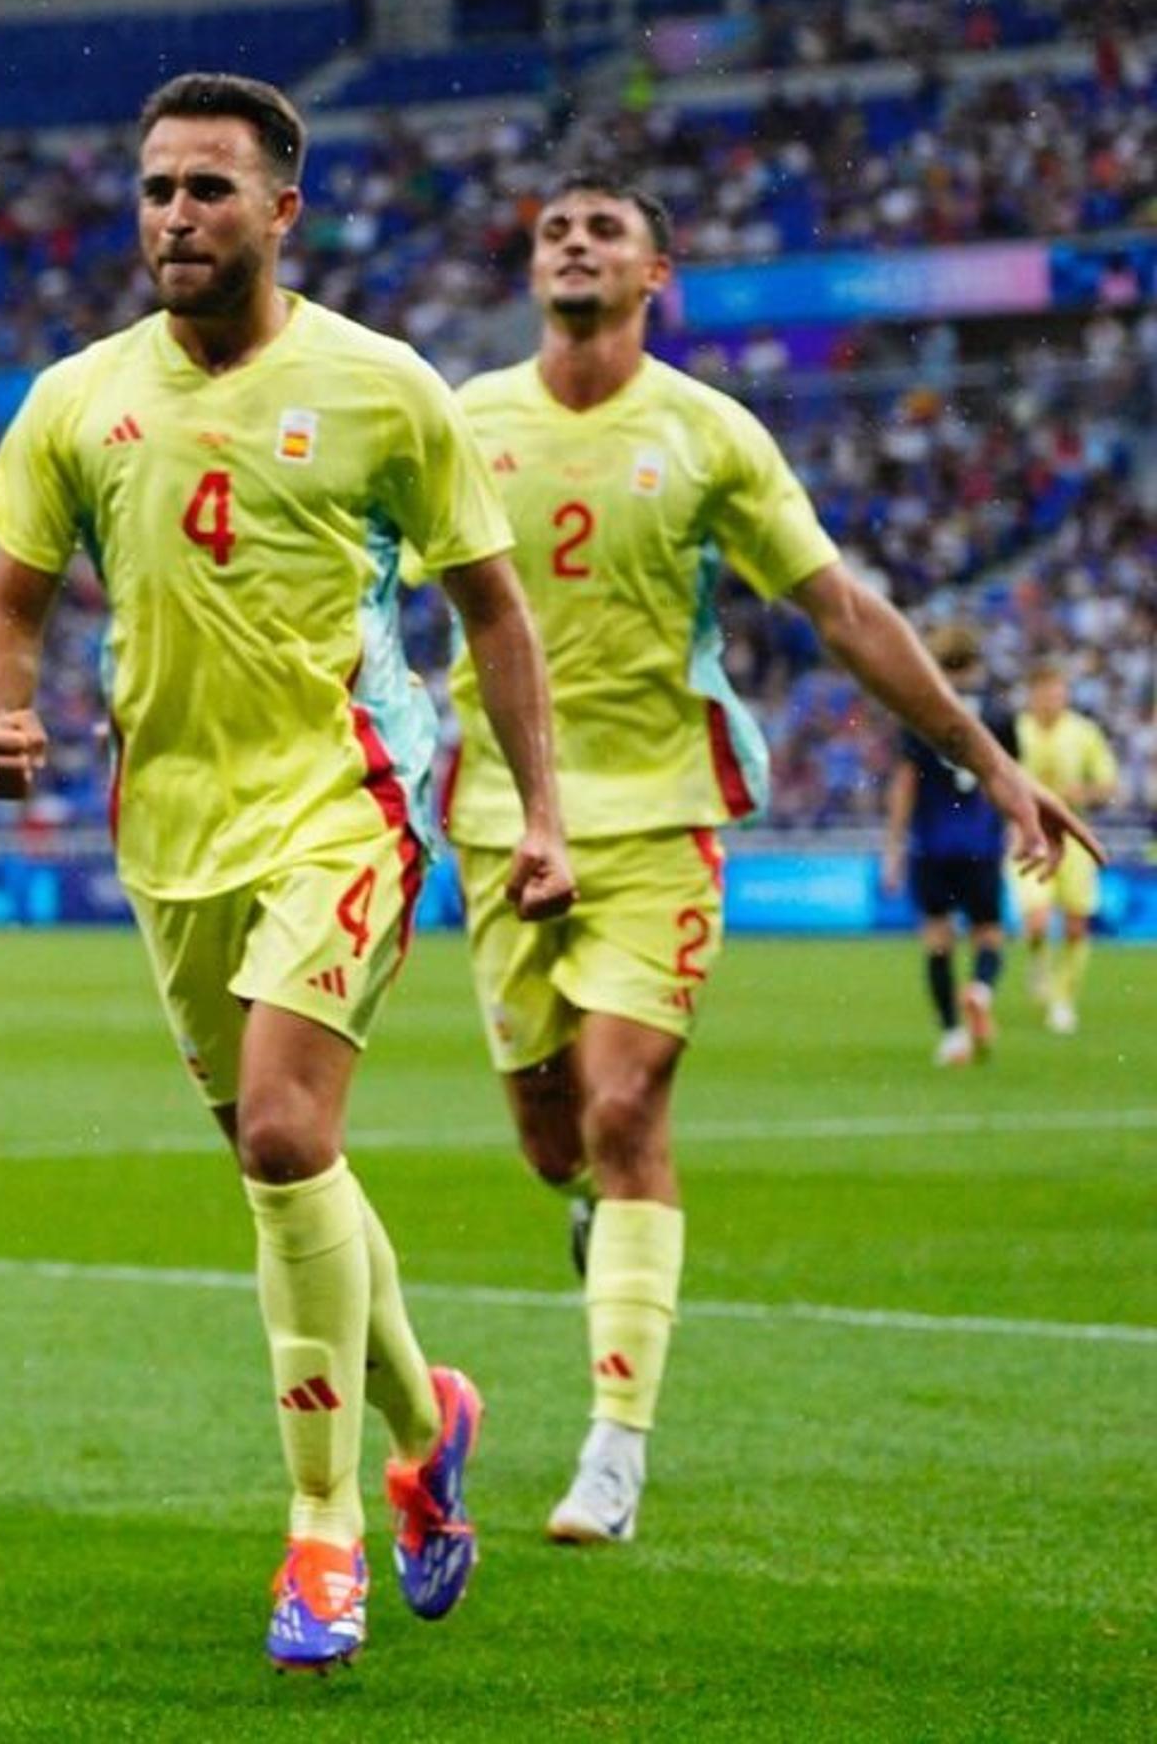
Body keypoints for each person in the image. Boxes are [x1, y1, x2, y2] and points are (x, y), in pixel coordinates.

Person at [0, 71, 579, 1671]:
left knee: (294, 1133)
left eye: (211, 190)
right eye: (159, 188)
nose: (178, 214)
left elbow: (496, 613)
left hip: (350, 799)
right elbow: (14, 597)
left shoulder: (385, 389)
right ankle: (426, 1419)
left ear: (281, 212)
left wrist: (548, 817)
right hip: (168, 830)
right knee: (279, 1161)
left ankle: (321, 1535)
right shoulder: (73, 399)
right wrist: (0, 705)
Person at [444, 171, 1095, 1550]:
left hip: (667, 815)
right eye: (555, 228)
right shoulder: (459, 424)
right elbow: (352, 581)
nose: (573, 242)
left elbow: (843, 612)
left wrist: (987, 758)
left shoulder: (706, 435)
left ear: (655, 275)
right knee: (551, 1137)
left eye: (603, 229)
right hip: (500, 825)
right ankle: (598, 1227)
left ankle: (613, 1449)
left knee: (625, 1117)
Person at [884, 623, 1040, 1068]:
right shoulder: (998, 712)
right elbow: (1010, 777)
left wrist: (893, 846)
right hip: (981, 844)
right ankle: (980, 989)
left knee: (936, 939)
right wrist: (1018, 829)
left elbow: (904, 783)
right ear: (977, 662)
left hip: (930, 845)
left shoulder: (919, 711)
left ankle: (953, 1035)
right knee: (989, 934)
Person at [1005, 657, 1122, 1037]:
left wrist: (1083, 792)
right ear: (1032, 695)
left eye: (1057, 692)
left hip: (1072, 838)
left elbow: (1108, 785)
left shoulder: (1084, 733)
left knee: (1075, 926)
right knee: (1037, 921)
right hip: (1029, 836)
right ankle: (1039, 961)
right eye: (1043, 692)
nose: (1050, 699)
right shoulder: (1015, 731)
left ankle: (1062, 1000)